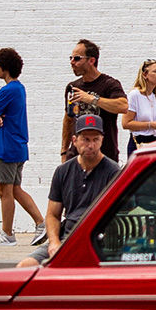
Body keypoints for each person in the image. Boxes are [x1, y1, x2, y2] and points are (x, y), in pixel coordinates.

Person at [21, 113, 122, 266]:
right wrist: (54, 243)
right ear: (74, 141)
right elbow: (53, 215)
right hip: (66, 237)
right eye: (85, 139)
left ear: (102, 140)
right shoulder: (63, 171)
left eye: (95, 139)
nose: (91, 145)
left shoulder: (113, 172)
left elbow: (118, 216)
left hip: (98, 241)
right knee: (25, 267)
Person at [0, 47, 46, 247]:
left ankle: (8, 234)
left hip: (6, 147)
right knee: (16, 189)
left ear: (6, 68)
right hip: (19, 146)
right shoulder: (20, 88)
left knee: (5, 191)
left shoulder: (7, 90)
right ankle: (41, 223)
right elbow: (0, 114)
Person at [62, 39, 128, 163]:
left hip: (105, 156)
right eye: (71, 58)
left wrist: (92, 99)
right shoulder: (72, 87)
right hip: (76, 156)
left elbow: (123, 106)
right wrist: (64, 151)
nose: (72, 62)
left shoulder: (109, 84)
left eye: (77, 58)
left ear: (91, 60)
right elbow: (68, 120)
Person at [121, 58, 156, 158]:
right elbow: (125, 123)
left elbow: (155, 124)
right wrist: (152, 125)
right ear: (145, 75)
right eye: (155, 71)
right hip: (140, 142)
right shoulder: (134, 95)